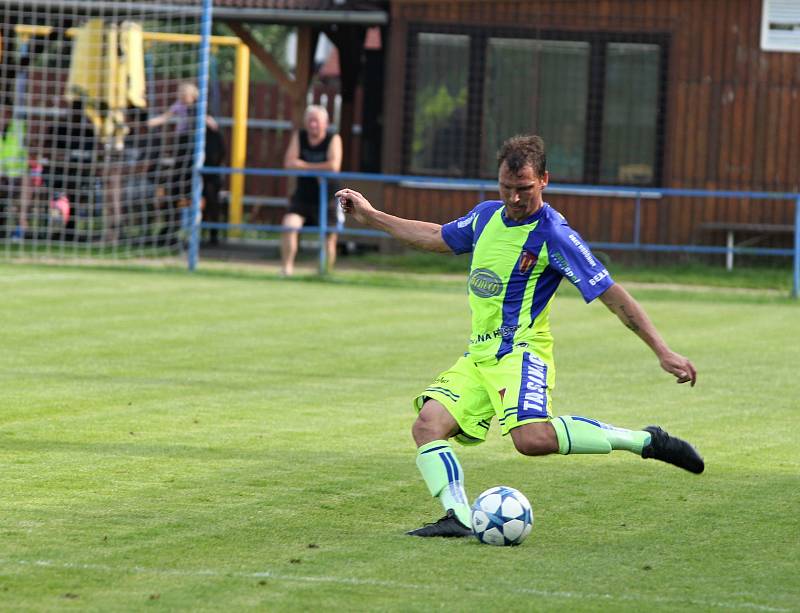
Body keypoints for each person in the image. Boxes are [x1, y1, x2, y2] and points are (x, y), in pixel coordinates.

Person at [335, 134, 703, 538]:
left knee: (530, 439)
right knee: (427, 426)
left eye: (524, 188)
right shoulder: (485, 217)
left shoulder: (554, 234)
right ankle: (458, 516)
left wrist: (662, 350)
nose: (513, 198)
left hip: (521, 353)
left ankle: (642, 441)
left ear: (544, 179)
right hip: (479, 356)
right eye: (506, 188)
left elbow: (611, 294)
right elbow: (436, 236)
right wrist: (371, 216)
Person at [281, 104, 343, 276]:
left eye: (316, 121)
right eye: (310, 121)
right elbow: (289, 163)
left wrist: (304, 165)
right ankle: (286, 269)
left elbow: (334, 166)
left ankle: (324, 273)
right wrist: (316, 169)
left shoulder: (333, 139)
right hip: (303, 196)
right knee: (289, 226)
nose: (313, 125)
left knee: (329, 237)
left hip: (328, 196)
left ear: (325, 123)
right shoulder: (299, 137)